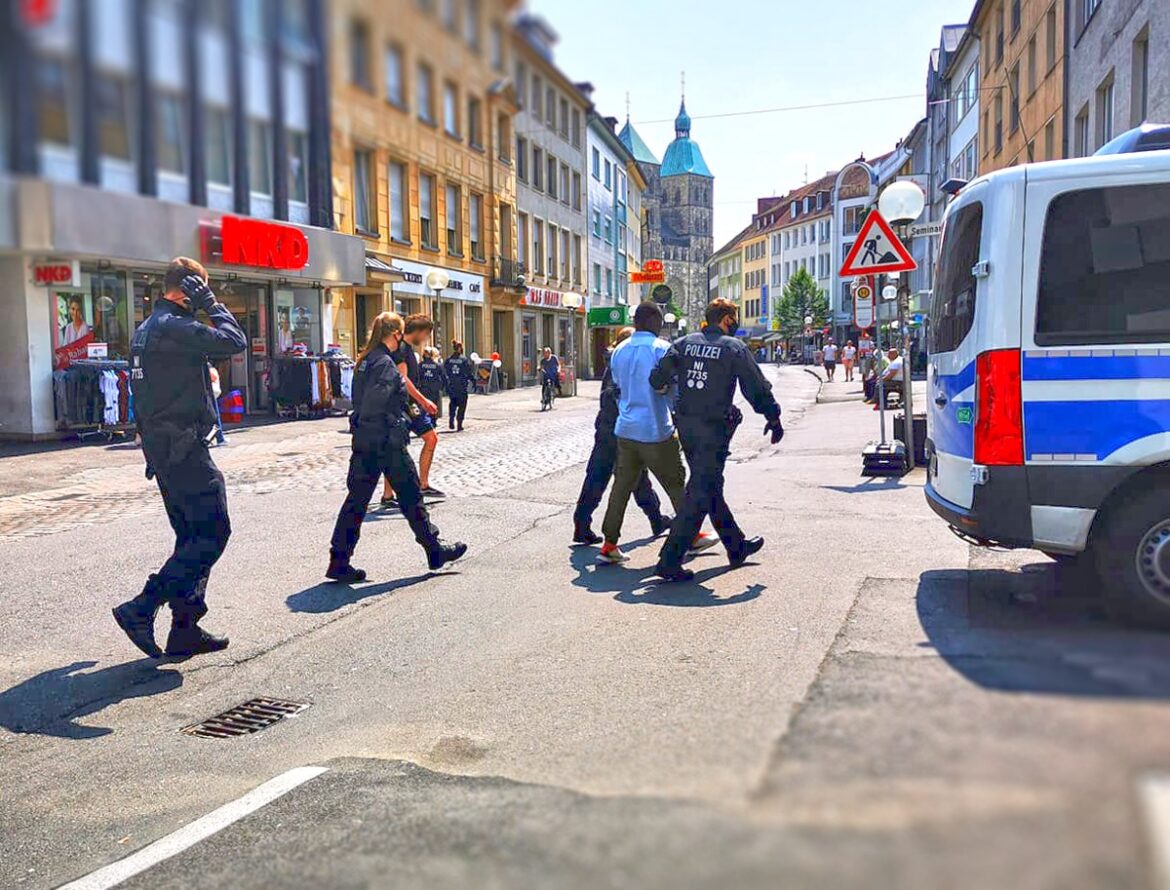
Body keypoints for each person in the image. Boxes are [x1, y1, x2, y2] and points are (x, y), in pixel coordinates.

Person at [112, 258, 247, 659]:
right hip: (183, 446)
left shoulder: (148, 327)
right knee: (213, 532)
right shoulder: (173, 326)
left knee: (192, 536)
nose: (205, 294)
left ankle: (185, 628)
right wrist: (211, 304)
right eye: (202, 287)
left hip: (164, 448)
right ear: (190, 288)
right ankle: (142, 606)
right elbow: (234, 341)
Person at [650, 298, 785, 583]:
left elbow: (657, 378)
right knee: (700, 491)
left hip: (687, 427)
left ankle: (736, 546)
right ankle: (669, 560)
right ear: (726, 319)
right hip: (714, 429)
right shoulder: (733, 348)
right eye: (733, 318)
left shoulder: (683, 343)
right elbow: (756, 388)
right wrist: (773, 417)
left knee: (709, 485)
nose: (735, 323)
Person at [327, 312, 466, 582]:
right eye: (401, 332)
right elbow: (377, 403)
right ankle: (434, 550)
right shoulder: (384, 363)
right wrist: (399, 422)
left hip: (366, 440)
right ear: (395, 334)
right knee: (411, 496)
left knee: (357, 502)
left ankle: (339, 560)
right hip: (385, 442)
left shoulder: (366, 360)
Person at [598, 302, 715, 565]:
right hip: (655, 429)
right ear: (654, 322)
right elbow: (673, 390)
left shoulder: (619, 351)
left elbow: (617, 388)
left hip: (626, 429)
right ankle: (691, 535)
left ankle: (609, 544)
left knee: (621, 488)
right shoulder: (661, 349)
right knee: (676, 484)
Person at [572, 325, 672, 546]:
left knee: (601, 476)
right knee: (636, 478)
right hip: (623, 429)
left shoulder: (614, 362)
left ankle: (582, 522)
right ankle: (656, 519)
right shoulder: (624, 364)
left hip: (607, 428)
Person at [381, 314, 444, 508]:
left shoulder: (407, 349)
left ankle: (423, 484)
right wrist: (424, 400)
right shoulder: (401, 349)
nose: (425, 339)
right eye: (426, 334)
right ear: (419, 331)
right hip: (403, 405)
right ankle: (388, 495)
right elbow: (403, 379)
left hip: (411, 405)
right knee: (396, 448)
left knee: (430, 438)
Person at [443, 340, 475, 431]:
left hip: (452, 385)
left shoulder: (448, 360)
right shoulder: (463, 359)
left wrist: (446, 384)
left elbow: (444, 372)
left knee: (453, 403)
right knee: (462, 405)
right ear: (460, 348)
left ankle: (451, 419)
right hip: (461, 385)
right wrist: (473, 381)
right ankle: (459, 424)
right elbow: (468, 372)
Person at [418, 346, 447, 421]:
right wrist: (441, 387)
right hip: (434, 390)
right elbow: (444, 377)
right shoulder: (437, 365)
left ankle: (426, 422)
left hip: (423, 389)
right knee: (433, 407)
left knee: (424, 407)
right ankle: (433, 422)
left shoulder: (420, 365)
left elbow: (417, 377)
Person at [208, 363, 226, 446]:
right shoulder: (208, 368)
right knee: (215, 416)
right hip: (211, 393)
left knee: (213, 416)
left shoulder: (205, 367)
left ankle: (215, 438)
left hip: (209, 393)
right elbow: (214, 378)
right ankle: (220, 438)